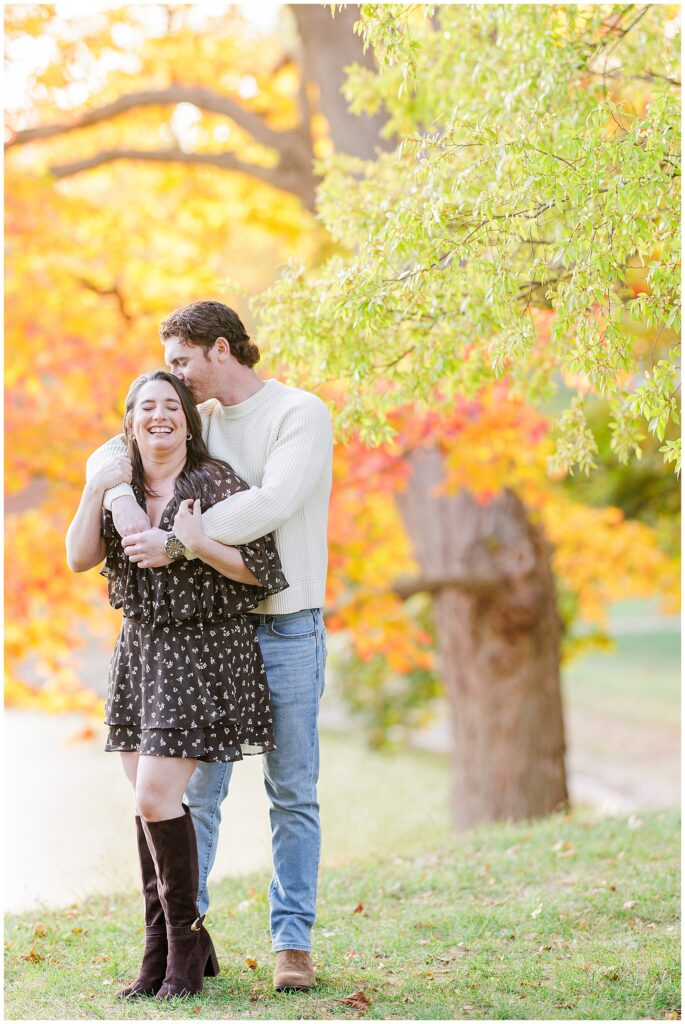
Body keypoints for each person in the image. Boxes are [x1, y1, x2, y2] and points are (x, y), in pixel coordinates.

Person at [86, 300, 333, 991]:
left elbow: (275, 502)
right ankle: (183, 934)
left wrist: (175, 541)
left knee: (291, 788)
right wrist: (119, 503)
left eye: (181, 361)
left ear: (219, 350)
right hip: (208, 634)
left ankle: (292, 944)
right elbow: (114, 448)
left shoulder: (298, 413)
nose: (174, 375)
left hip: (282, 621)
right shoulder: (202, 419)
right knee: (195, 793)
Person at [67, 370, 288, 999]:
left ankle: (180, 955)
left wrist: (193, 544)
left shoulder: (216, 482)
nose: (159, 416)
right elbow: (78, 558)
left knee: (154, 798)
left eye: (171, 406)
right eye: (146, 407)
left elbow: (262, 572)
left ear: (189, 420)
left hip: (204, 649)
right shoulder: (121, 483)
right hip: (141, 652)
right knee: (147, 799)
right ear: (131, 420)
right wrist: (96, 491)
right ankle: (166, 946)